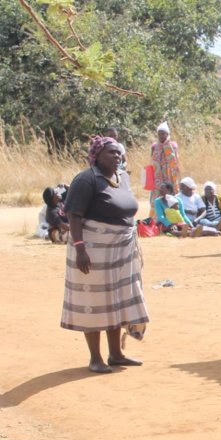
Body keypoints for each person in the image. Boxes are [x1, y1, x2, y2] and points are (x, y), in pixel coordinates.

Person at [62, 136, 148, 373]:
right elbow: (74, 216)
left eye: (119, 152)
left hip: (119, 250)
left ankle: (116, 354)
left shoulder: (121, 178)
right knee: (95, 301)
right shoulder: (86, 179)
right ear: (96, 155)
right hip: (93, 250)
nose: (117, 156)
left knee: (116, 300)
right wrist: (80, 249)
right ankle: (95, 358)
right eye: (111, 152)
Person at [149, 121, 181, 211]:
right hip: (158, 175)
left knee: (171, 194)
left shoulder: (173, 145)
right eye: (159, 134)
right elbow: (152, 160)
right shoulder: (154, 146)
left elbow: (176, 160)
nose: (161, 136)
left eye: (163, 134)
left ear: (167, 134)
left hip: (170, 175)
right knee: (157, 195)